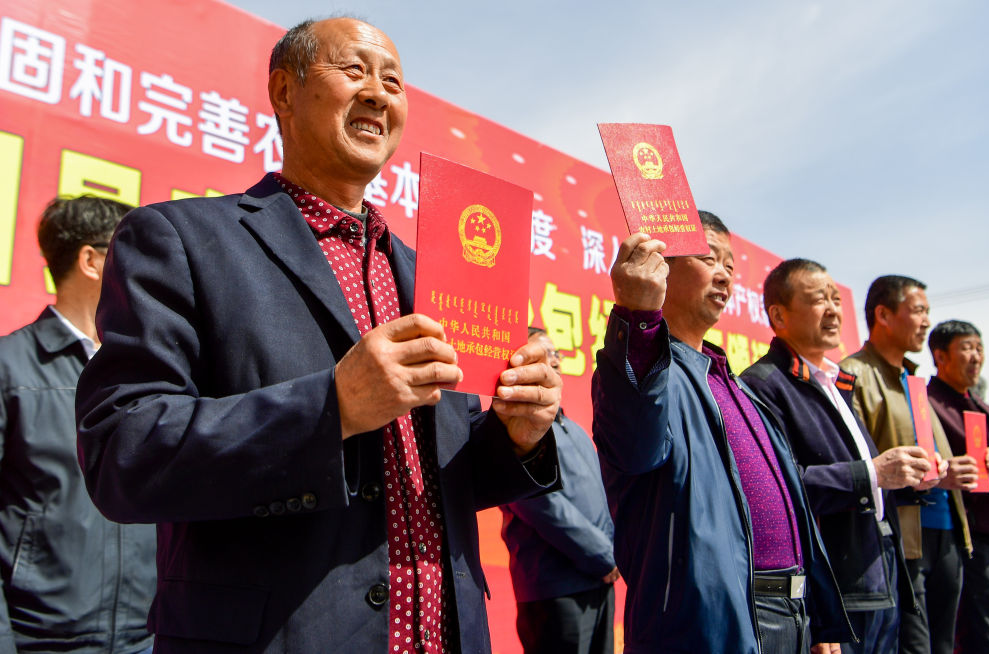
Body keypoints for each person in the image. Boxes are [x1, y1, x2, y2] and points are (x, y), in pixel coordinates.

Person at [75, 18, 561, 654]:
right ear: (284, 91)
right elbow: (124, 452)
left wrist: (517, 436)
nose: (378, 93)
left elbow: (442, 475)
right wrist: (332, 408)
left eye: (393, 82)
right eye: (354, 71)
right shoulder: (179, 240)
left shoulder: (434, 278)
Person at [592, 212, 851, 654]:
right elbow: (635, 448)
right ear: (661, 265)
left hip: (790, 615)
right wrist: (638, 318)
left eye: (730, 265)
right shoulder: (643, 368)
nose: (724, 275)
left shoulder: (733, 383)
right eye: (709, 258)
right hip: (709, 624)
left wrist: (816, 617)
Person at [742, 258, 923, 654]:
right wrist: (871, 473)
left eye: (835, 299)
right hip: (836, 588)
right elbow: (779, 492)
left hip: (879, 570)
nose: (833, 310)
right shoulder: (763, 384)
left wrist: (908, 477)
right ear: (778, 315)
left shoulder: (835, 379)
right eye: (818, 300)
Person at [0, 196, 155, 653]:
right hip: (40, 638)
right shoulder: (10, 367)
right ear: (91, 261)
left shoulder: (150, 372)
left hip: (147, 637)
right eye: (134, 251)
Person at [840, 276, 974, 654]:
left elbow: (931, 454)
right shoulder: (853, 374)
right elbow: (855, 463)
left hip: (946, 530)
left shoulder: (913, 378)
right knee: (916, 645)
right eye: (918, 311)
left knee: (943, 644)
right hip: (902, 537)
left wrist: (951, 469)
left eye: (927, 311)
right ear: (883, 315)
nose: (926, 321)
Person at [500, 327, 618, 654]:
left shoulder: (574, 428)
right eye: (542, 355)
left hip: (598, 581)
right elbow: (545, 507)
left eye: (555, 354)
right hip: (555, 590)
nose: (553, 361)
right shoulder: (518, 431)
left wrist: (613, 553)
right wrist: (602, 555)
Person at [925, 320, 989, 654]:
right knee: (983, 635)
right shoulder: (929, 403)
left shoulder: (978, 403)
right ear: (940, 356)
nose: (976, 357)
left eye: (979, 348)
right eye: (967, 348)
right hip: (963, 539)